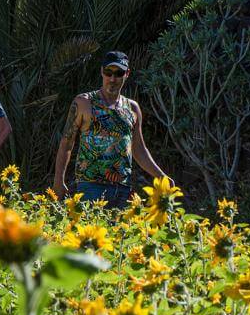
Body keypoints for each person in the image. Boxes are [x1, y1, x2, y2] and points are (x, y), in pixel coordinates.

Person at [53, 50, 171, 208]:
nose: (112, 79)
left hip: (123, 189)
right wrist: (58, 181)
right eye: (108, 72)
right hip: (90, 187)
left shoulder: (132, 108)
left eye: (119, 73)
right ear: (102, 72)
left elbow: (139, 149)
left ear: (127, 73)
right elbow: (66, 143)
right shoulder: (83, 103)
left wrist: (161, 176)